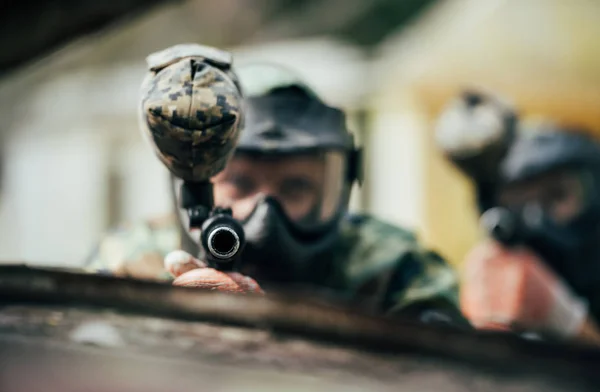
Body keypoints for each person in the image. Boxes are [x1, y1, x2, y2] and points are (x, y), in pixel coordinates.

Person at [87, 43, 469, 326]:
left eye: (296, 186)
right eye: (239, 182)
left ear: (340, 186)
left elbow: (455, 370)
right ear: (192, 180)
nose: (265, 212)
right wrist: (162, 328)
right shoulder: (133, 261)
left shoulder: (391, 267)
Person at [436, 91, 600, 344]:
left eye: (556, 196)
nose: (538, 221)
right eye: (518, 206)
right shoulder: (506, 266)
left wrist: (572, 325)